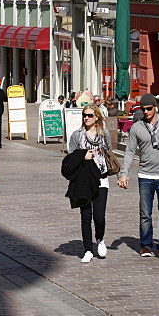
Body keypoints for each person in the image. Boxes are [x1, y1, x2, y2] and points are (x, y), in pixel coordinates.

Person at [118, 92, 159, 259]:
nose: (146, 112)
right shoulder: (136, 128)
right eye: (143, 109)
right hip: (145, 175)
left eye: (149, 108)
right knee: (145, 212)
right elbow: (130, 151)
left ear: (156, 108)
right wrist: (124, 173)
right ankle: (146, 245)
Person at [68, 104, 114, 263]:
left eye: (89, 115)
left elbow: (108, 153)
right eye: (84, 115)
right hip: (84, 181)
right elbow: (70, 158)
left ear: (96, 117)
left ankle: (100, 239)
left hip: (101, 179)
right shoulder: (77, 135)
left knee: (99, 216)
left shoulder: (104, 134)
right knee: (86, 216)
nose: (86, 118)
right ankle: (87, 249)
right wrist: (82, 156)